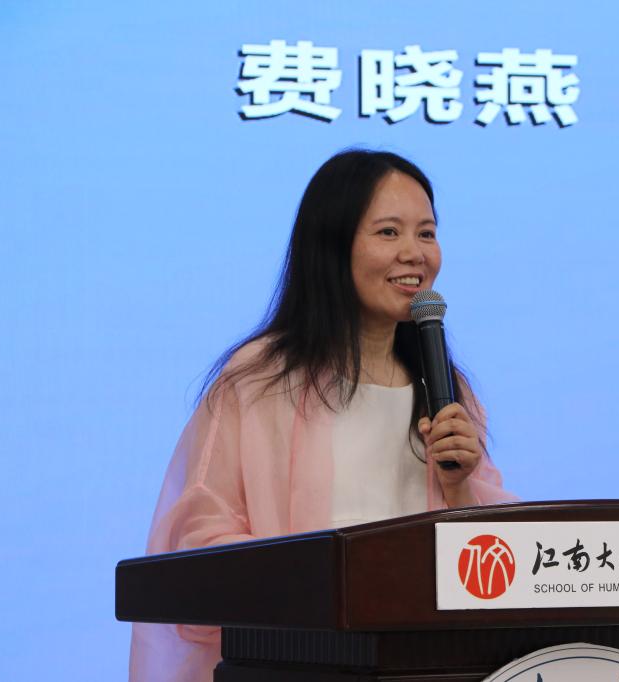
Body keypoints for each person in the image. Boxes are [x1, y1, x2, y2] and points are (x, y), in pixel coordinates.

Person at [128, 149, 517, 682]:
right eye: (388, 232)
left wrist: (460, 488)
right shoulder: (260, 380)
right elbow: (201, 538)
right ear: (332, 245)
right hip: (300, 663)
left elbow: (497, 558)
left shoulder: (449, 391)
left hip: (425, 665)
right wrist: (323, 583)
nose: (414, 253)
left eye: (426, 233)